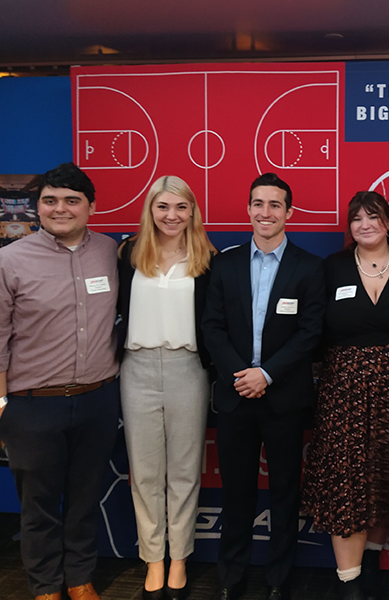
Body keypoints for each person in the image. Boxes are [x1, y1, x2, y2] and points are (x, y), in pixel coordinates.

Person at [0, 162, 120, 600]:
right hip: (31, 407)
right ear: (37, 206)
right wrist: (0, 411)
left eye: (72, 200)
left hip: (97, 400)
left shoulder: (110, 252)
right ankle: (44, 587)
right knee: (38, 508)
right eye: (50, 200)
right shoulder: (8, 261)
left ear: (91, 207)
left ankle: (79, 579)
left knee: (83, 500)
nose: (60, 209)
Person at [303, 191, 389, 600]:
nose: (365, 224)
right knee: (348, 480)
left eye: (373, 217)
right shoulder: (332, 268)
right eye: (356, 218)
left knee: (386, 475)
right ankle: (349, 582)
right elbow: (314, 329)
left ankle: (371, 558)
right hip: (344, 390)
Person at [201, 172, 326, 600]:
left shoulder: (310, 268)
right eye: (259, 203)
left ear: (289, 212)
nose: (266, 212)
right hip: (236, 396)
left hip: (284, 398)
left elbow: (310, 334)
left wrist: (266, 374)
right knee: (236, 494)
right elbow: (211, 328)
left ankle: (278, 580)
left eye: (275, 205)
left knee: (285, 493)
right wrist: (243, 375)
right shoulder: (225, 263)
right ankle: (231, 578)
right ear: (248, 209)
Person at [117, 176, 217, 599]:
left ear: (192, 211)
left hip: (187, 368)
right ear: (150, 210)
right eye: (163, 207)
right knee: (144, 474)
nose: (171, 216)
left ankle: (179, 560)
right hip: (136, 368)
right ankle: (152, 560)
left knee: (183, 472)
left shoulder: (208, 258)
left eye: (181, 207)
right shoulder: (127, 254)